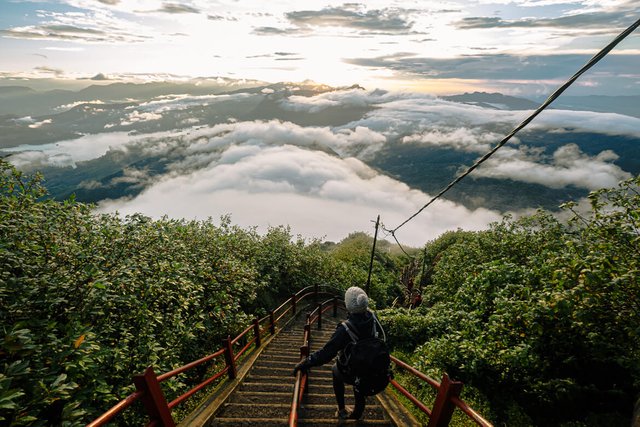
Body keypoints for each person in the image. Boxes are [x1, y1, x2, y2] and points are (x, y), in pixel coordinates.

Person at [293, 286, 385, 421]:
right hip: (372, 368)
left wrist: (305, 363)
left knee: (336, 370)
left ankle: (341, 409)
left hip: (354, 370)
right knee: (360, 384)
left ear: (348, 305)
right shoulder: (373, 318)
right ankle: (357, 415)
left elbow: (326, 354)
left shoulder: (345, 329)